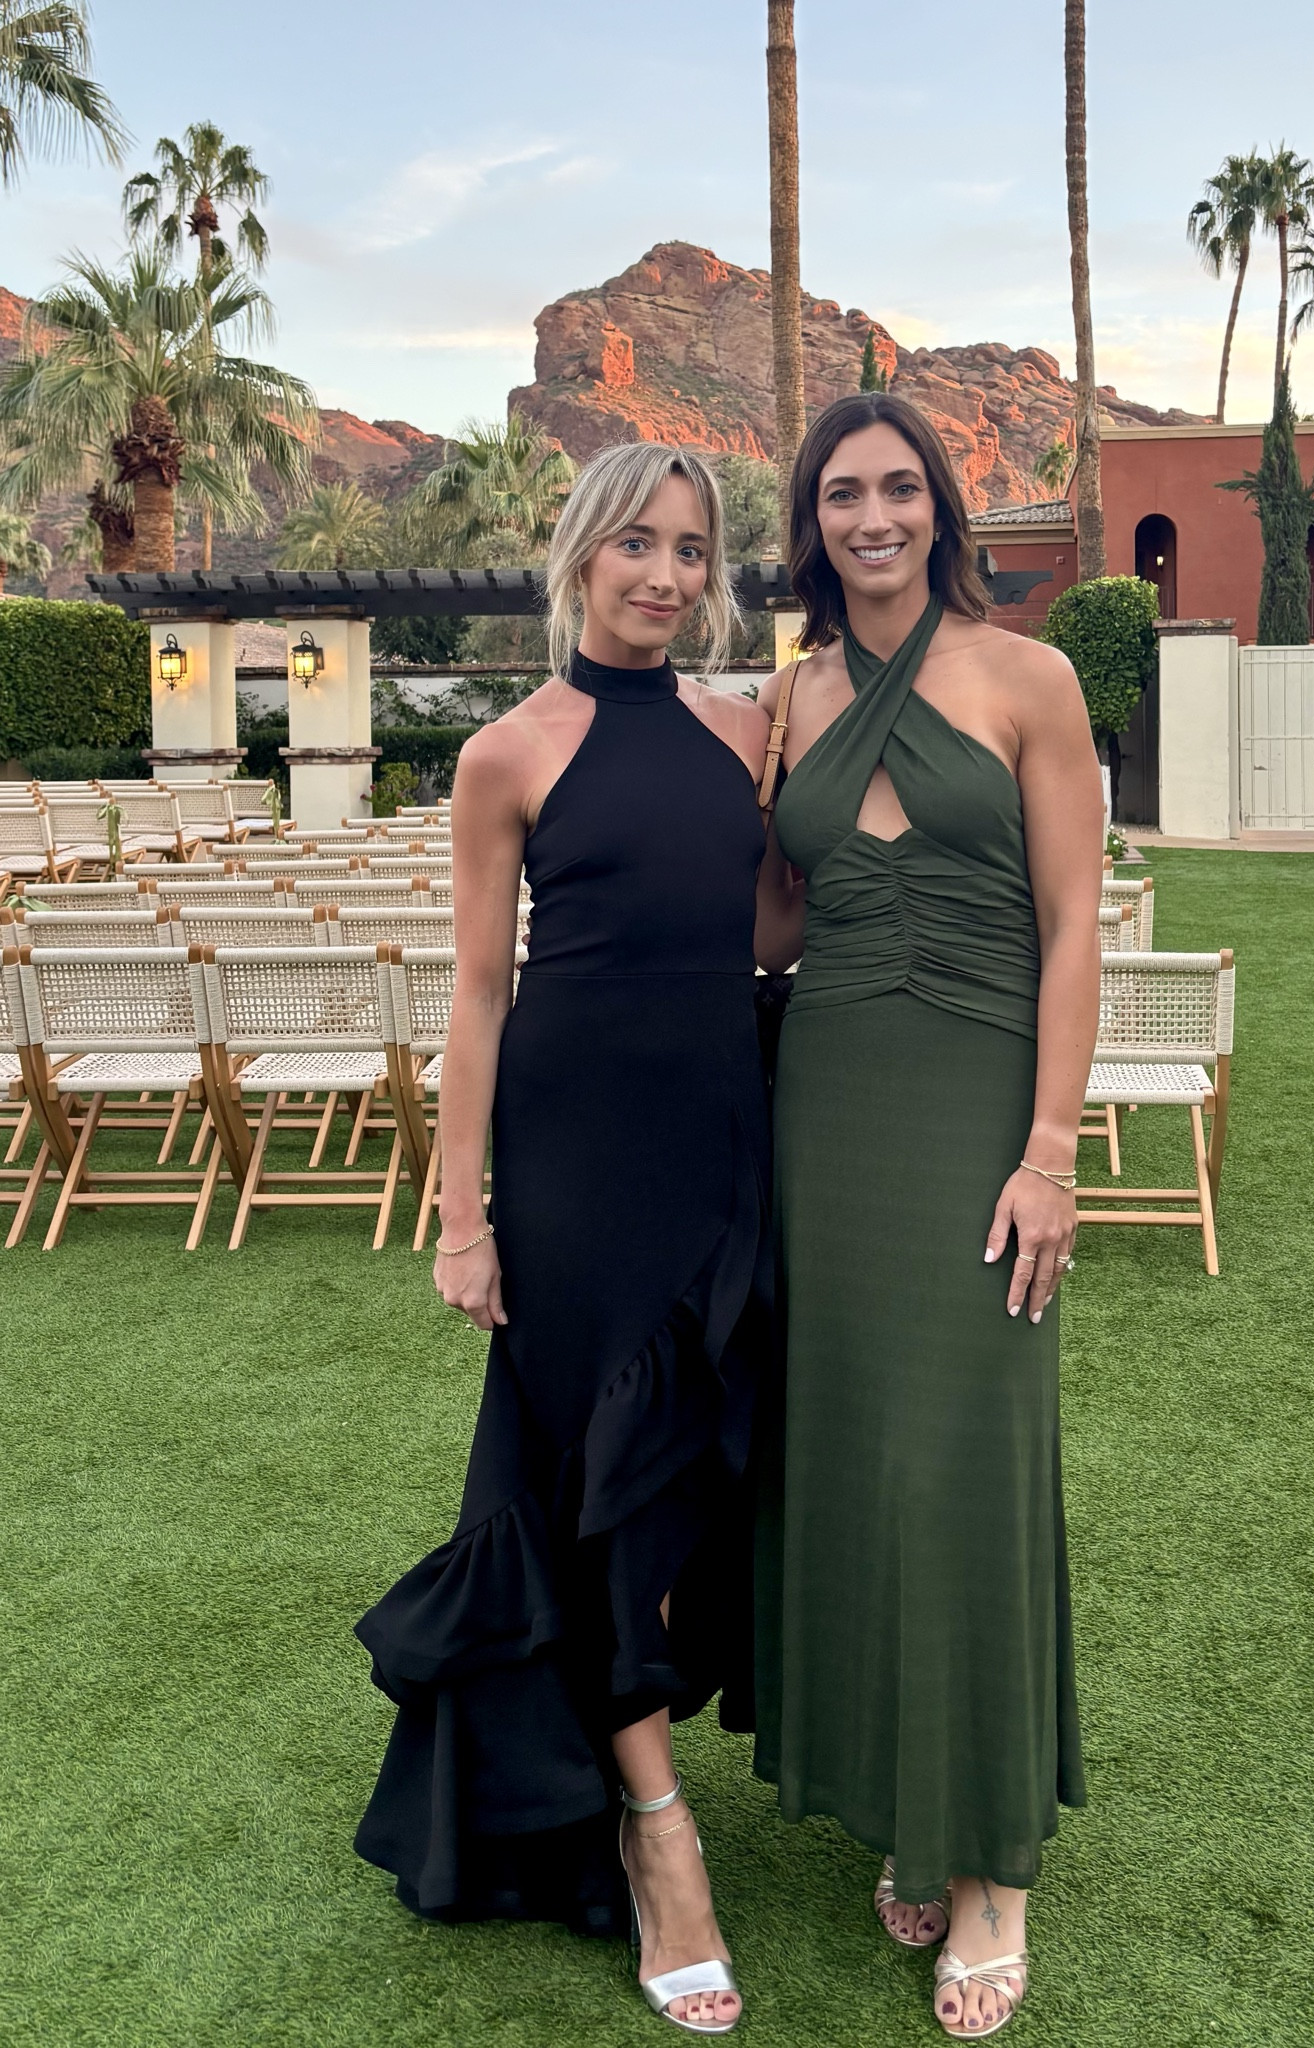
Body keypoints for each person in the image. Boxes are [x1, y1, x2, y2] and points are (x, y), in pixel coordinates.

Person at [354, 442, 772, 2036]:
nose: (663, 575)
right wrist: (460, 1214)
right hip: (572, 1160)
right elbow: (477, 994)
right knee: (591, 1480)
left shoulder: (745, 734)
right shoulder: (505, 754)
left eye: (690, 549)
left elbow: (773, 926)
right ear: (581, 556)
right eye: (636, 545)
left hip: (724, 1143)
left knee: (703, 1466)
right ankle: (659, 1838)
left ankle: (642, 1762)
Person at [753, 393, 1104, 2039]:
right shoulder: (792, 694)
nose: (872, 516)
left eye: (899, 488)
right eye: (843, 493)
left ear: (941, 510)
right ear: (811, 522)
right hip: (828, 1102)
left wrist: (1049, 1150)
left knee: (959, 1457)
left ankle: (991, 1870)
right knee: (853, 1450)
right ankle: (908, 1802)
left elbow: (1074, 924)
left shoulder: (1028, 679)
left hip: (977, 1101)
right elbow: (773, 930)